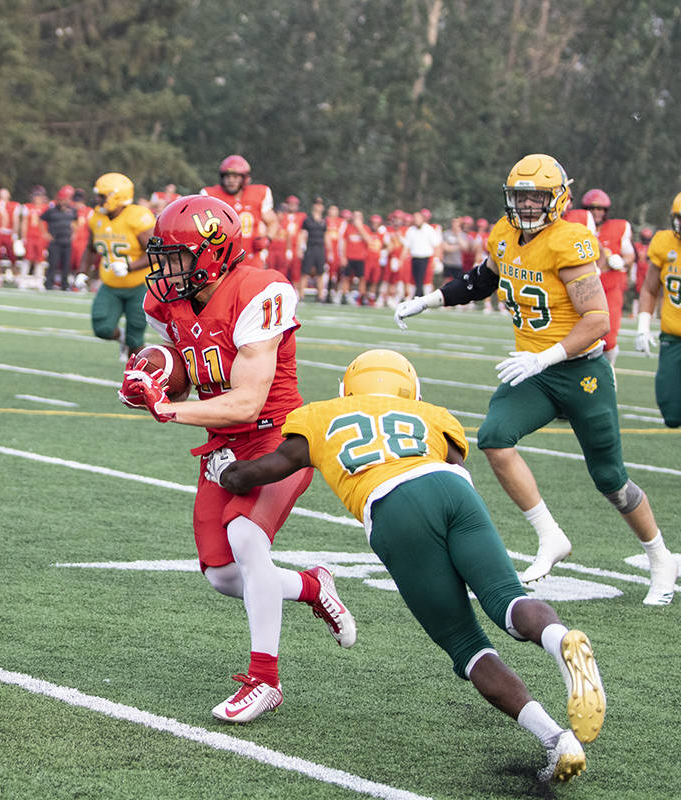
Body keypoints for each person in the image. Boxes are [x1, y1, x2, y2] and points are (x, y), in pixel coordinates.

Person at [212, 349, 606, 783]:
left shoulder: (322, 415)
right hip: (454, 492)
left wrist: (227, 471)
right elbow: (458, 470)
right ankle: (560, 638)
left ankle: (556, 740)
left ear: (348, 387)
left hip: (392, 506)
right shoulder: (432, 415)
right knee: (508, 601)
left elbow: (263, 471)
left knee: (466, 644)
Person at [394, 153, 677, 603]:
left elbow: (598, 320)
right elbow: (482, 280)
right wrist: (427, 300)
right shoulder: (505, 234)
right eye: (520, 195)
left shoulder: (570, 241)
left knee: (611, 479)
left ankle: (660, 557)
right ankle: (550, 536)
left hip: (580, 369)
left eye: (536, 196)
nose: (527, 204)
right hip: (533, 369)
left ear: (558, 198)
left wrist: (545, 357)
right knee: (494, 437)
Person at [118, 194, 355, 724]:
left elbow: (248, 400)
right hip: (222, 445)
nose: (166, 268)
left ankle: (264, 679)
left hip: (278, 439)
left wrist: (167, 410)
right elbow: (187, 359)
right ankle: (314, 586)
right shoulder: (170, 300)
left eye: (177, 257)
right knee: (224, 576)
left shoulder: (258, 290)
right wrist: (152, 379)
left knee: (247, 540)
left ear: (213, 252)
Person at [87, 173, 156, 360]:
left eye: (103, 196)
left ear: (117, 196)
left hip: (139, 285)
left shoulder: (137, 217)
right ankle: (122, 339)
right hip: (110, 284)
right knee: (102, 327)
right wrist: (83, 272)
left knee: (136, 337)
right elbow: (90, 248)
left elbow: (158, 254)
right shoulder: (96, 218)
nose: (98, 200)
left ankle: (133, 380)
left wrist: (129, 266)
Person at [635, 192, 681, 426]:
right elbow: (650, 289)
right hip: (673, 338)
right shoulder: (665, 242)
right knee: (671, 413)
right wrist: (643, 326)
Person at [580, 189, 635, 364]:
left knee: (609, 339)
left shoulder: (619, 228)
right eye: (592, 208)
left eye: (600, 209)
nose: (596, 212)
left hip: (610, 288)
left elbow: (630, 256)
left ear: (606, 211)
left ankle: (609, 369)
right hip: (582, 290)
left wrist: (621, 261)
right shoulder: (576, 228)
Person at [200, 155, 276, 269]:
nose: (231, 180)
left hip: (251, 258)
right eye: (227, 176)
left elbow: (272, 221)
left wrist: (267, 238)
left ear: (245, 178)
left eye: (235, 177)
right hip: (221, 258)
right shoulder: (210, 195)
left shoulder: (258, 193)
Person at [42, 185, 78, 290]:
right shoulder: (51, 210)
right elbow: (41, 219)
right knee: (53, 263)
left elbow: (76, 221)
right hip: (55, 241)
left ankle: (64, 284)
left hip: (67, 241)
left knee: (66, 264)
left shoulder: (72, 210)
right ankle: (49, 283)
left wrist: (74, 233)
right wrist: (45, 233)